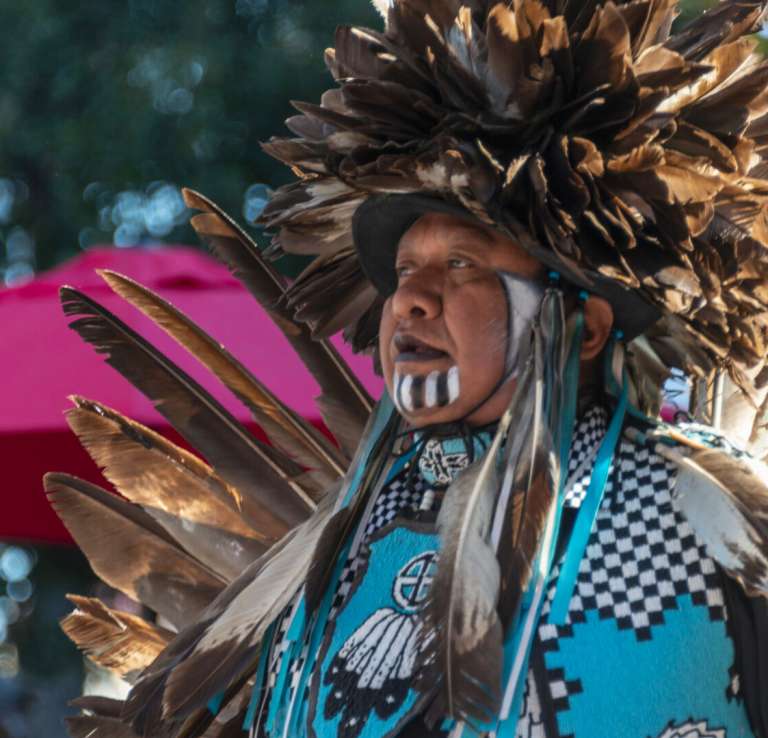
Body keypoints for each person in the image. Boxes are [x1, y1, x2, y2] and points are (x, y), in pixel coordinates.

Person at [49, 1, 768, 737]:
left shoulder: (698, 507)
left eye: (461, 265)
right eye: (402, 272)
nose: (411, 302)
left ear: (585, 327)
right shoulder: (344, 549)